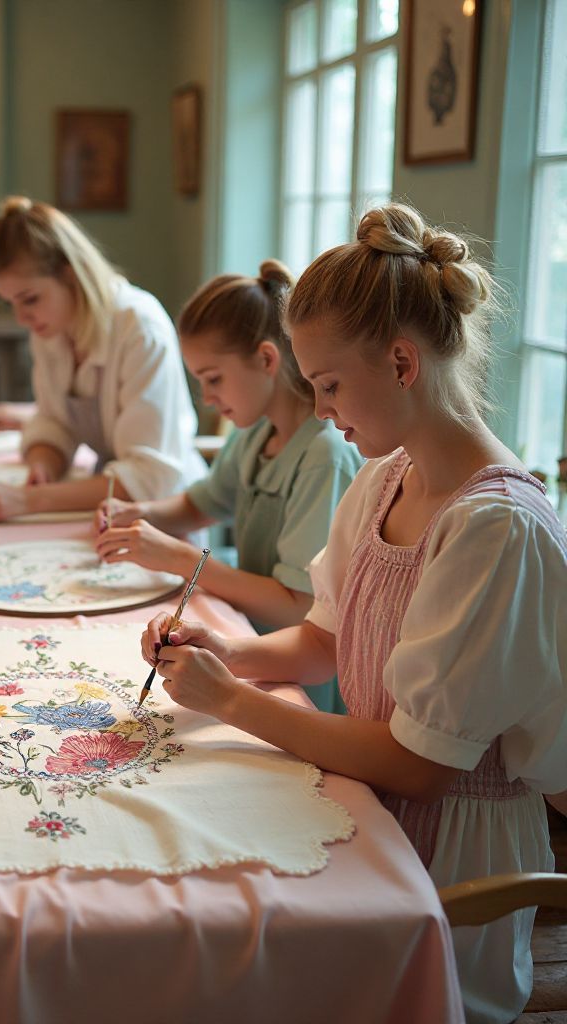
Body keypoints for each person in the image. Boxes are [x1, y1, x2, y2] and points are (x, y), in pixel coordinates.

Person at [141, 204, 567, 1024]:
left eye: (329, 386)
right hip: (367, 803)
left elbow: (421, 764)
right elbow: (325, 640)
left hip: (446, 868)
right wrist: (227, 652)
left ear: (402, 362)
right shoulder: (383, 480)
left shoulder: (494, 528)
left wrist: (229, 701)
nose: (320, 409)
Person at [95, 263, 360, 711]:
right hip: (245, 640)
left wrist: (179, 558)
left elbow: (298, 606)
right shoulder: (253, 432)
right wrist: (138, 515)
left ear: (267, 359)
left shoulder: (324, 457)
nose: (207, 398)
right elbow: (201, 503)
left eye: (213, 379)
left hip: (297, 677)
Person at [0, 196, 206, 521]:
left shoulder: (139, 328)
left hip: (167, 512)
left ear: (71, 276)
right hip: (108, 503)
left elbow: (149, 477)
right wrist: (44, 465)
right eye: (10, 304)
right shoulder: (51, 329)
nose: (21, 318)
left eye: (29, 299)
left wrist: (29, 500)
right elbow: (54, 423)